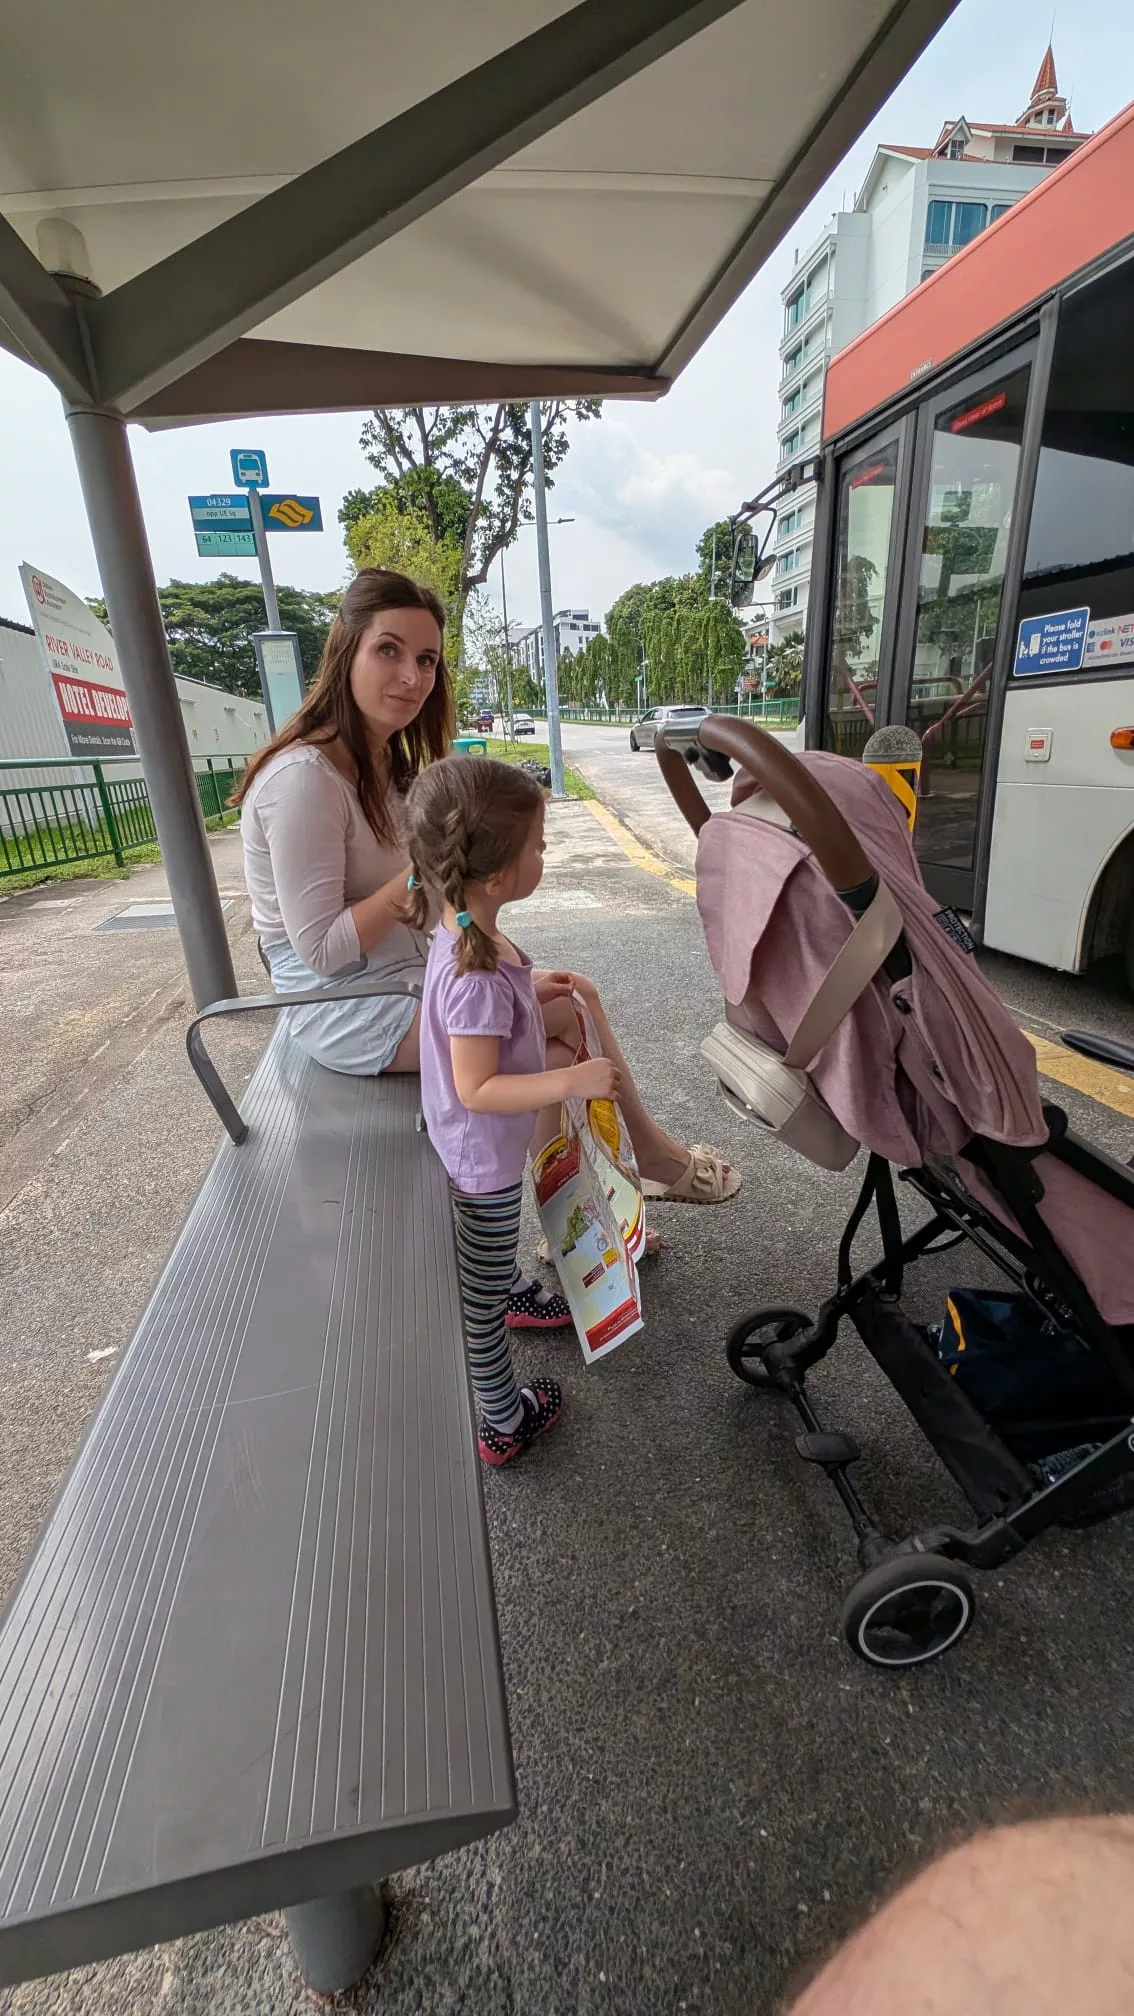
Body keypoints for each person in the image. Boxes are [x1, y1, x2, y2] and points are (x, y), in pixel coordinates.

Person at [236, 567, 741, 1228]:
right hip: (348, 1007)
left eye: (425, 660)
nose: (412, 677)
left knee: (570, 1005)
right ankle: (644, 1171)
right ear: (346, 651)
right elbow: (323, 953)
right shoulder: (304, 781)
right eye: (388, 650)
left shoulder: (384, 763)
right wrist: (430, 862)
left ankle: (578, 1229)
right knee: (560, 1027)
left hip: (412, 976)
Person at [404, 754, 640, 1463]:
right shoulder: (473, 967)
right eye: (539, 844)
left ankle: (508, 1283)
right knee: (478, 1309)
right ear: (500, 873)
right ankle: (502, 1420)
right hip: (483, 1160)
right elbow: (478, 1086)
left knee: (491, 1259)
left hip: (483, 1150)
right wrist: (571, 1083)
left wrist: (530, 990)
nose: (546, 852)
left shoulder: (473, 936)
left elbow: (482, 1030)